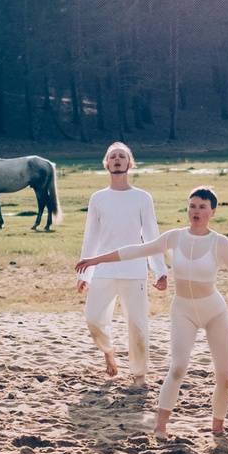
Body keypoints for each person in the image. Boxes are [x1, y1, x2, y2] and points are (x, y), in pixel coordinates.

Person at [74, 186, 228, 438]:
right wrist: (95, 260)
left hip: (214, 312)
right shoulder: (174, 238)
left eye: (203, 207)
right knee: (178, 368)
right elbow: (135, 250)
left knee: (225, 376)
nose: (196, 211)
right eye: (192, 206)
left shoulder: (220, 243)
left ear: (212, 211)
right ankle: (160, 427)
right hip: (183, 311)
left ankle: (217, 427)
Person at [74, 142, 164, 381]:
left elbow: (152, 236)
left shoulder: (142, 198)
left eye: (122, 156)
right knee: (93, 318)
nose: (117, 159)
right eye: (112, 156)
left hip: (134, 271)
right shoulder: (98, 198)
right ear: (106, 164)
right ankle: (108, 351)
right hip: (103, 270)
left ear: (129, 163)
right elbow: (91, 237)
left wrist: (160, 270)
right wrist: (84, 274)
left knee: (138, 326)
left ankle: (139, 374)